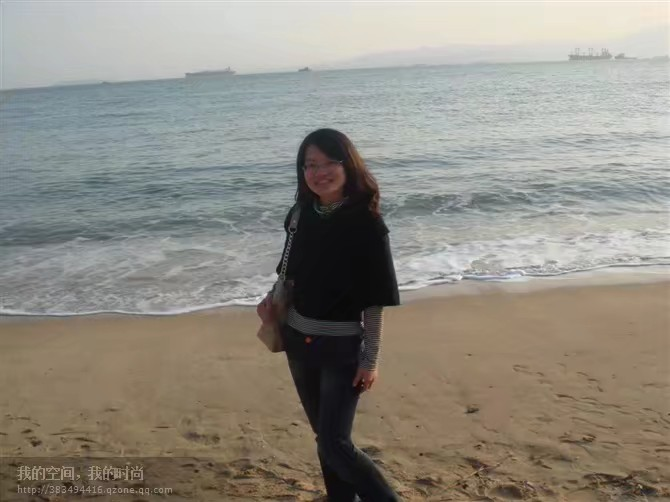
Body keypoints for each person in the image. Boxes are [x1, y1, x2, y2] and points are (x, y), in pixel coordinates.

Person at [257, 128, 402, 501]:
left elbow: (374, 299)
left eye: (328, 163)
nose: (319, 172)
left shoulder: (365, 224)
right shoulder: (300, 214)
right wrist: (270, 302)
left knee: (336, 442)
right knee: (324, 437)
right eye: (310, 165)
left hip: (341, 348)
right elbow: (288, 273)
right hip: (298, 341)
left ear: (347, 165)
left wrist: (370, 359)